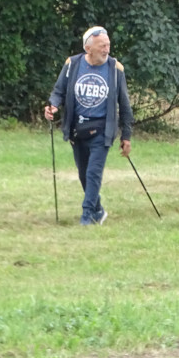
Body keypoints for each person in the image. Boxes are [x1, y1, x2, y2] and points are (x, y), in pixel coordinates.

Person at [45, 26, 133, 226]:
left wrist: (126, 135)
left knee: (93, 172)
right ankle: (98, 210)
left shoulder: (115, 69)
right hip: (78, 129)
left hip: (102, 130)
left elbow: (124, 104)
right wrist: (52, 106)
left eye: (108, 45)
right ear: (88, 48)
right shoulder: (72, 65)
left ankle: (87, 216)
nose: (106, 49)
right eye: (102, 46)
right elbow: (58, 91)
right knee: (84, 174)